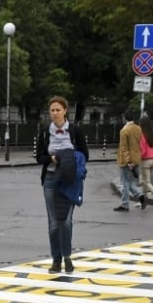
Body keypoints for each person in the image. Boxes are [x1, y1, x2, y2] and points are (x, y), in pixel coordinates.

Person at [35, 95, 89, 273]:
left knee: (65, 221)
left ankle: (67, 256)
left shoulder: (74, 130)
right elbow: (39, 157)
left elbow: (85, 155)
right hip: (50, 179)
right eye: (52, 110)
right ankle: (56, 260)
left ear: (65, 111)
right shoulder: (44, 131)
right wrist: (51, 158)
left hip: (70, 179)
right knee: (53, 222)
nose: (55, 113)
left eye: (58, 109)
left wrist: (69, 159)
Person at [114, 108, 144, 211]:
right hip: (137, 158)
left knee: (124, 183)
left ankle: (125, 204)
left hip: (127, 161)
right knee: (131, 182)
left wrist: (128, 161)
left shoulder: (124, 131)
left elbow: (124, 147)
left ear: (124, 118)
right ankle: (141, 196)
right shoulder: (138, 128)